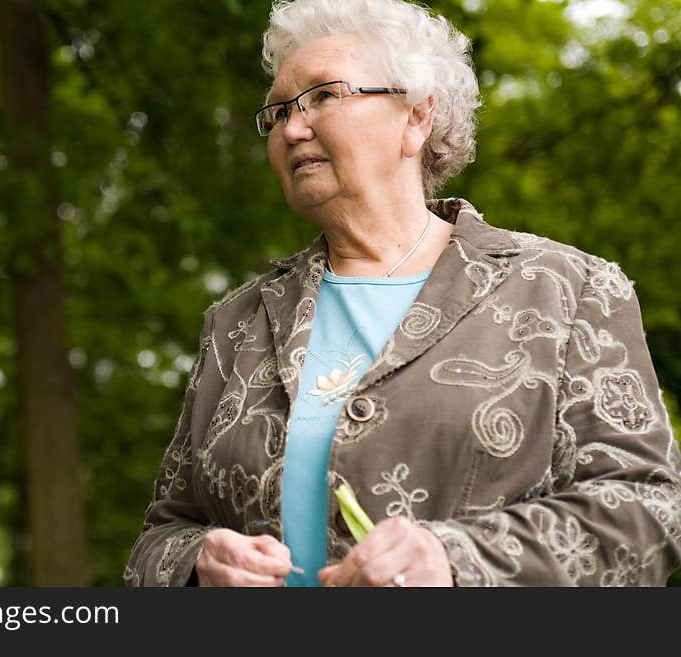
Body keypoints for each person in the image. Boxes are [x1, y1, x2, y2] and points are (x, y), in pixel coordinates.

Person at [124, 0, 681, 587]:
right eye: (278, 111)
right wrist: (196, 566)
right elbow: (162, 534)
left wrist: (454, 560)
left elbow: (649, 510)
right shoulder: (235, 323)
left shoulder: (566, 291)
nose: (292, 127)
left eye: (324, 96)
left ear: (417, 118)